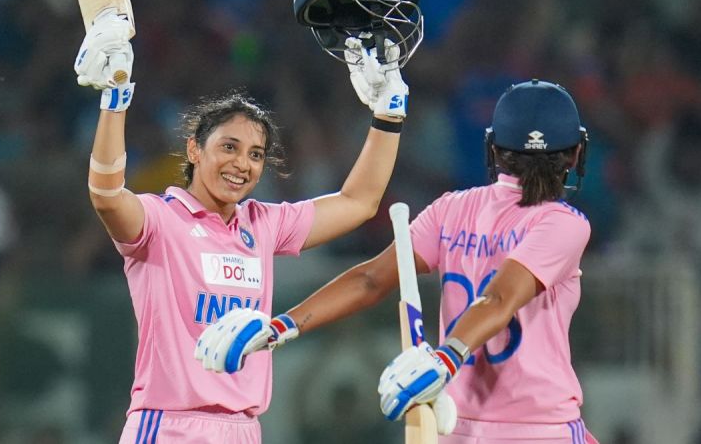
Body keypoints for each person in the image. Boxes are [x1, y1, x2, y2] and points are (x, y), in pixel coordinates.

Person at [74, 0, 420, 444]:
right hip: (169, 426)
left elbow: (357, 202)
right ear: (194, 149)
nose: (242, 164)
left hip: (243, 429)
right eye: (229, 148)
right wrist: (116, 98)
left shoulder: (263, 223)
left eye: (256, 154)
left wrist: (388, 115)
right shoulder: (161, 220)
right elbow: (107, 195)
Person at [199, 80, 600, 443]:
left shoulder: (452, 209)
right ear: (574, 154)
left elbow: (371, 279)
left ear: (494, 149)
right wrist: (445, 358)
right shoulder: (565, 223)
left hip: (456, 430)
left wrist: (282, 326)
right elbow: (499, 300)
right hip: (541, 428)